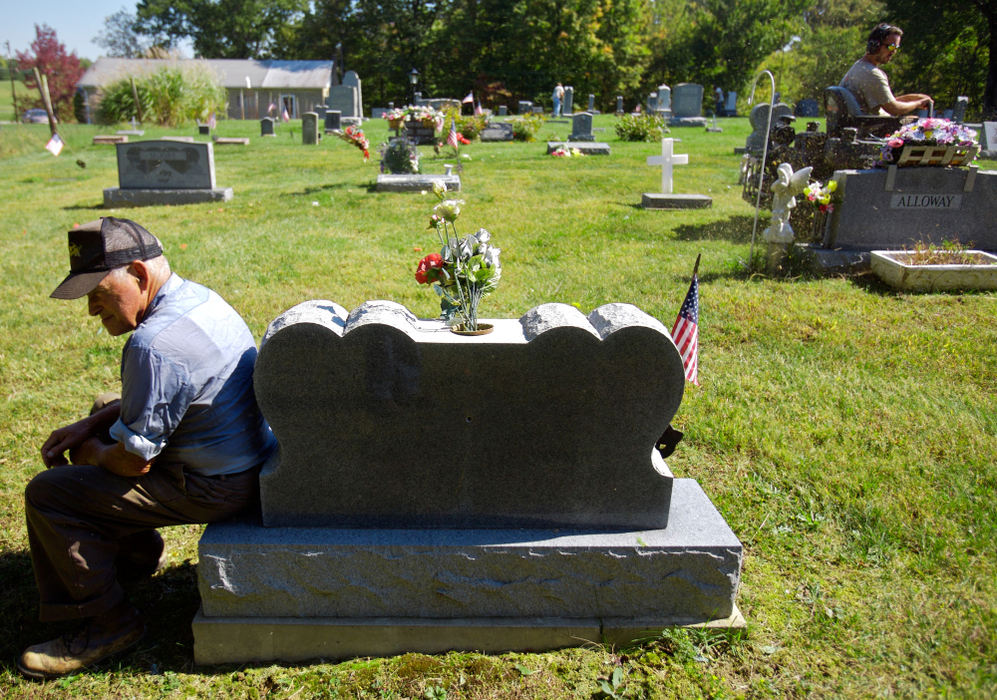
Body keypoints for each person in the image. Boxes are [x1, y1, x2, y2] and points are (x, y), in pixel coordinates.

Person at [18, 217, 276, 679]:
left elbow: (134, 462)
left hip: (215, 485)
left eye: (98, 295)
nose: (93, 312)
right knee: (104, 405)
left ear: (137, 274)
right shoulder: (198, 297)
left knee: (50, 494)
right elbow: (172, 398)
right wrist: (91, 423)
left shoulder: (153, 346)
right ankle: (133, 556)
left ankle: (106, 625)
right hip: (245, 457)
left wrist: (92, 453)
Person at [840, 23, 932, 116]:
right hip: (872, 127)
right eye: (891, 47)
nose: (894, 52)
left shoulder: (859, 66)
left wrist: (911, 99)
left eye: (896, 48)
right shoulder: (872, 74)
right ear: (875, 45)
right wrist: (918, 104)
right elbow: (894, 109)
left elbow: (886, 102)